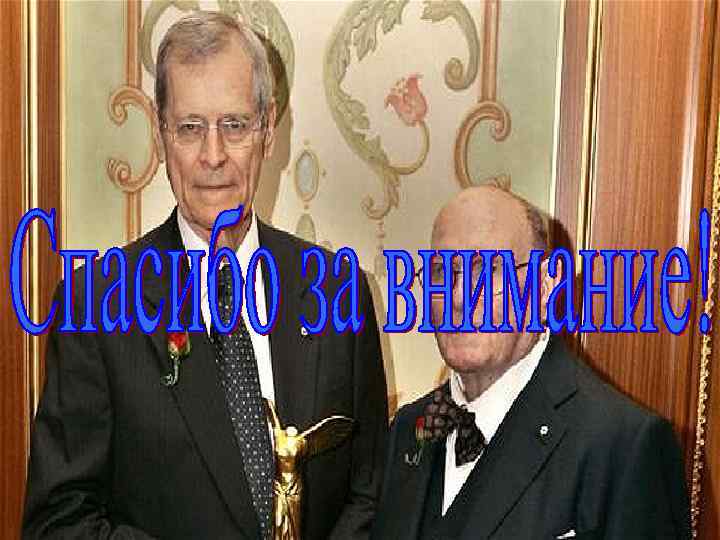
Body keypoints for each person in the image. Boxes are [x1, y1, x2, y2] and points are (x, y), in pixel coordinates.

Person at [23, 12, 387, 540]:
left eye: (234, 126)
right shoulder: (96, 303)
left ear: (267, 129)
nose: (212, 156)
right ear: (160, 136)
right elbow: (58, 522)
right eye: (190, 128)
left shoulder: (338, 289)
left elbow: (370, 495)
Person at [372, 186, 690, 539]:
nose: (458, 297)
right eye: (440, 272)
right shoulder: (408, 428)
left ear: (546, 283)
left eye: (488, 269)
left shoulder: (623, 445)